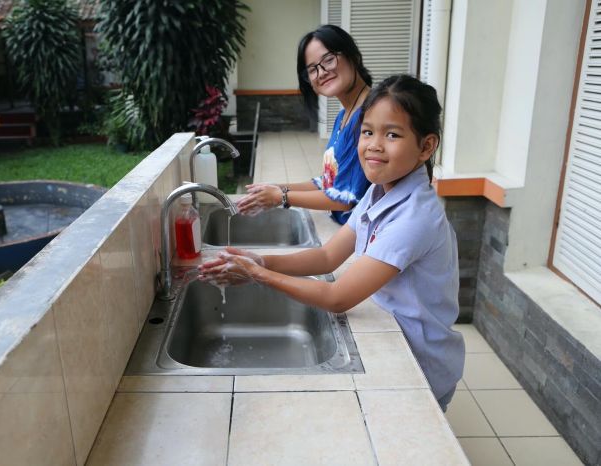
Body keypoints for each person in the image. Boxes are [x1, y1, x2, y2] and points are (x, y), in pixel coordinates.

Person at [199, 75, 465, 411]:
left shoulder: (414, 218)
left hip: (421, 362)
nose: (374, 145)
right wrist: (261, 260)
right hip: (394, 339)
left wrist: (257, 274)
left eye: (392, 134)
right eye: (368, 132)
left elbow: (337, 297)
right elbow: (327, 256)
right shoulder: (381, 190)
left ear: (427, 146)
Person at [237, 24, 371, 225]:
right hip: (345, 230)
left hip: (364, 240)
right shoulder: (345, 115)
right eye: (312, 69)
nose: (322, 72)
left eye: (328, 60)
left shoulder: (368, 117)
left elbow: (346, 199)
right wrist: (277, 188)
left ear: (354, 56)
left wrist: (281, 197)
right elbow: (329, 182)